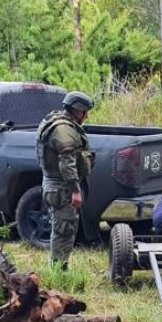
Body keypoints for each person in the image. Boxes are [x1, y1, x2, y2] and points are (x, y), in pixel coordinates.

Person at [36, 91, 95, 268]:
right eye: (85, 111)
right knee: (64, 229)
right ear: (77, 110)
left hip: (55, 186)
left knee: (62, 227)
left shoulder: (56, 121)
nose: (86, 115)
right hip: (62, 188)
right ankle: (58, 270)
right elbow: (67, 163)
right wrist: (76, 191)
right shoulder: (63, 130)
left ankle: (59, 266)